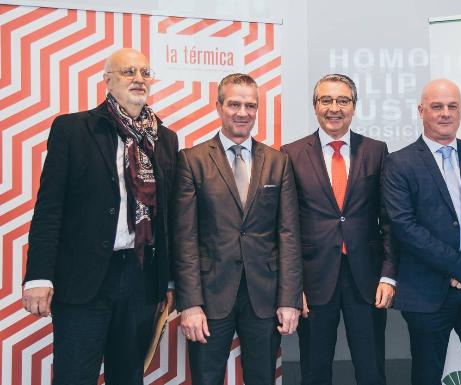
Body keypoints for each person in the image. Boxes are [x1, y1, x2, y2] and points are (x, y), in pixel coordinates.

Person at [21, 48, 178, 385]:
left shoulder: (165, 139)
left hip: (140, 278)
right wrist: (38, 277)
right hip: (84, 279)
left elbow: (167, 217)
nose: (139, 78)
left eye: (145, 72)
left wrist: (168, 278)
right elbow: (49, 208)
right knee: (75, 376)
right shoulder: (74, 129)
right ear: (108, 81)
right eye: (128, 72)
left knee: (128, 377)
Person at [172, 73, 302, 385]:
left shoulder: (278, 161)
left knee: (263, 379)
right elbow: (184, 237)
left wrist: (289, 299)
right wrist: (189, 303)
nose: (242, 112)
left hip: (265, 296)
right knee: (206, 378)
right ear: (218, 106)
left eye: (250, 105)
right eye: (234, 104)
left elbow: (289, 234)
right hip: (209, 295)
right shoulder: (192, 160)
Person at [382, 78, 461, 385]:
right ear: (421, 110)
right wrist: (459, 265)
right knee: (427, 377)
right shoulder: (398, 163)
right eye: (437, 106)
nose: (445, 113)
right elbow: (404, 226)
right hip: (426, 294)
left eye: (452, 106)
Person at [281, 74, 397, 385]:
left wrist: (388, 274)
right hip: (314, 279)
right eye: (327, 100)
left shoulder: (376, 150)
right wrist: (293, 286)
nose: (335, 108)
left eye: (343, 100)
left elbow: (388, 219)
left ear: (354, 106)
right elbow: (286, 225)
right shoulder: (290, 154)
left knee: (371, 369)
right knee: (315, 370)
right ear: (315, 106)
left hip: (367, 279)